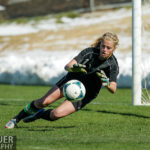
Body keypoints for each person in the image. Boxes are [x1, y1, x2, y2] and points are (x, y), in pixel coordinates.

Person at [5, 32, 119, 129]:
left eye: (108, 48)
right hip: (71, 80)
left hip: (85, 93)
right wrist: (74, 68)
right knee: (44, 102)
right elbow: (67, 66)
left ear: (114, 49)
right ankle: (16, 119)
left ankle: (39, 114)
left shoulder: (112, 65)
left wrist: (106, 83)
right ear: (100, 44)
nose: (104, 50)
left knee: (56, 114)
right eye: (103, 46)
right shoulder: (89, 52)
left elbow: (113, 89)